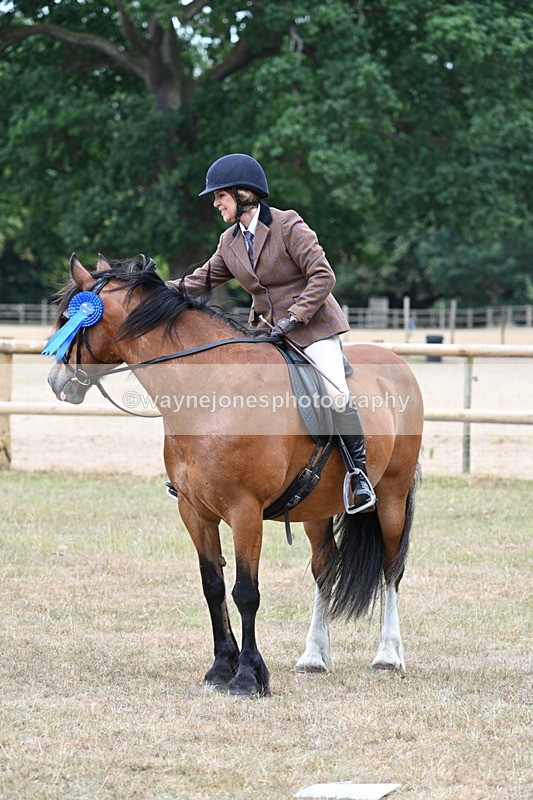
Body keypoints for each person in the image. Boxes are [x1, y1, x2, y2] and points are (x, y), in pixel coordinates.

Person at [172, 153, 375, 513]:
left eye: (220, 196)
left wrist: (295, 317)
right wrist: (148, 291)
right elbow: (198, 282)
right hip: (266, 333)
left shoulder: (288, 225)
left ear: (244, 193)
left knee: (334, 390)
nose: (216, 203)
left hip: (312, 328)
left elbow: (323, 276)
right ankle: (205, 470)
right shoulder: (229, 242)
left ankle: (358, 474)